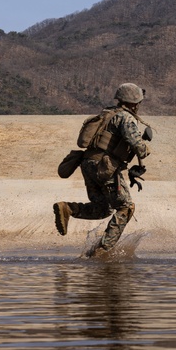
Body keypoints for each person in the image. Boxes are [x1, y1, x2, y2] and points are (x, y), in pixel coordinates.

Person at [53, 82, 152, 257]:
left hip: (88, 164)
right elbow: (137, 145)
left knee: (103, 209)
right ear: (134, 102)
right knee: (126, 207)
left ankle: (68, 208)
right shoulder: (125, 118)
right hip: (104, 168)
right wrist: (145, 148)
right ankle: (102, 250)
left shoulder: (106, 113)